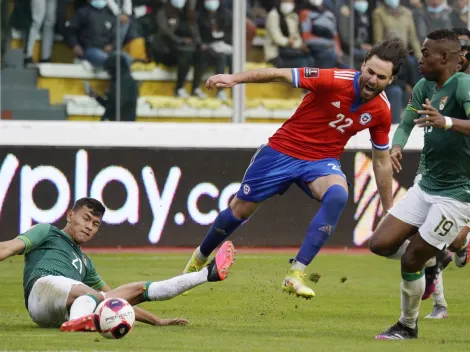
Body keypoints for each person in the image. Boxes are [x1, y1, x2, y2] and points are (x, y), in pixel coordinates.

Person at [180, 38, 409, 299]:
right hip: (282, 151)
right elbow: (279, 74)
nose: (372, 79)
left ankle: (295, 273)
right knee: (238, 211)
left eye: (381, 76)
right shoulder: (333, 79)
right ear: (363, 64)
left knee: (338, 195)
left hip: (322, 160)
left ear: (390, 80)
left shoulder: (381, 110)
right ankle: (199, 258)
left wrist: (389, 210)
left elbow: (380, 160)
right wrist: (235, 79)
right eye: (370, 71)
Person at [0, 197, 235, 332]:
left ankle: (207, 274)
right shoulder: (47, 232)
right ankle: (81, 321)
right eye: (85, 218)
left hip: (61, 312)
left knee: (131, 291)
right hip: (41, 292)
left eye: (96, 223)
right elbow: (7, 248)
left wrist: (157, 321)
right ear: (70, 215)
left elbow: (115, 302)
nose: (90, 226)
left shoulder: (85, 263)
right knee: (89, 294)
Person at [369, 29, 470, 340]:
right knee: (380, 244)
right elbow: (408, 121)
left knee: (413, 255)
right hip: (427, 186)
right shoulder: (425, 86)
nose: (419, 58)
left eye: (426, 53)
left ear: (446, 58)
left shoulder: (464, 85)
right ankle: (449, 248)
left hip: (458, 194)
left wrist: (447, 122)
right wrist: (397, 146)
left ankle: (407, 326)